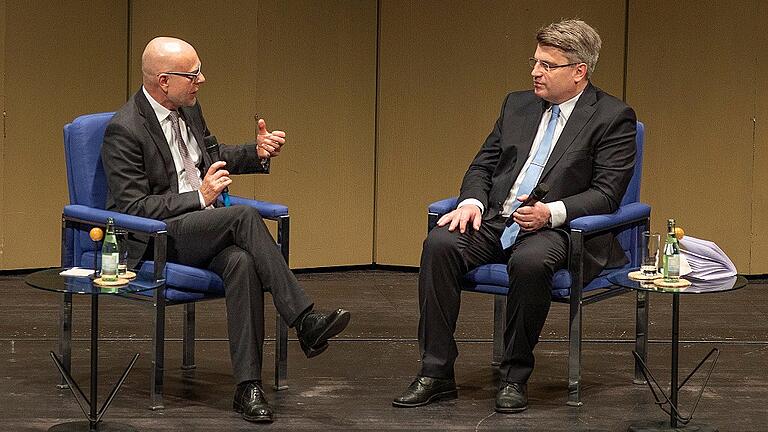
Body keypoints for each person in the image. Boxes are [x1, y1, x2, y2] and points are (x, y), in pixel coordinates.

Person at [101, 36, 351, 424]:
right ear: (163, 81)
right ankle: (304, 321)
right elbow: (133, 206)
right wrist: (199, 198)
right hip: (158, 236)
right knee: (244, 217)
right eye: (193, 74)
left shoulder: (188, 108)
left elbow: (210, 157)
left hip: (202, 229)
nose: (202, 79)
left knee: (241, 263)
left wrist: (256, 152)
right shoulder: (125, 130)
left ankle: (247, 388)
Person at [393, 19, 637, 413]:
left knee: (530, 262)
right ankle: (436, 372)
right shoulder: (517, 105)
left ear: (579, 72)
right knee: (439, 244)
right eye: (535, 61)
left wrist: (550, 213)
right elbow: (482, 166)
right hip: (496, 219)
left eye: (547, 65)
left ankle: (514, 376)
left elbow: (607, 194)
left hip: (558, 229)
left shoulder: (612, 117)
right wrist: (471, 203)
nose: (535, 72)